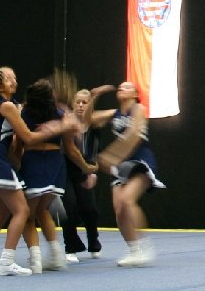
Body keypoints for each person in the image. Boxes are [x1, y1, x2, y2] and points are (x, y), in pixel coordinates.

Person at [0, 68, 77, 276]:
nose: (13, 81)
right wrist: (56, 128)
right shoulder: (7, 106)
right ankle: (6, 262)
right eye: (7, 79)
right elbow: (28, 138)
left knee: (1, 210)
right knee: (22, 211)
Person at [14, 79, 96, 273]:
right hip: (55, 165)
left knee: (27, 215)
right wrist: (86, 167)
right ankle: (56, 255)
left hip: (33, 163)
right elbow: (71, 150)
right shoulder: (60, 115)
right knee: (42, 211)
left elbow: (17, 144)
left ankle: (35, 260)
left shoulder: (23, 114)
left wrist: (15, 167)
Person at [84, 81, 166, 267]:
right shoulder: (114, 113)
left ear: (135, 94)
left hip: (139, 160)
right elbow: (88, 120)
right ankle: (134, 250)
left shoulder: (138, 109)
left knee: (127, 200)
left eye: (128, 87)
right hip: (121, 164)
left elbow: (134, 134)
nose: (122, 88)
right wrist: (94, 96)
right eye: (121, 87)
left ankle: (145, 245)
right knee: (119, 209)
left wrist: (111, 155)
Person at [61, 89, 102, 263]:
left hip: (84, 169)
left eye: (84, 102)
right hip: (65, 168)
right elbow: (67, 149)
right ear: (72, 104)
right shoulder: (66, 120)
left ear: (90, 105)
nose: (80, 105)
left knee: (89, 209)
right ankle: (70, 246)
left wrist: (92, 171)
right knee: (68, 207)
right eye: (77, 102)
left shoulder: (94, 125)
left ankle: (93, 240)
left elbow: (94, 150)